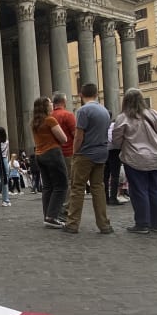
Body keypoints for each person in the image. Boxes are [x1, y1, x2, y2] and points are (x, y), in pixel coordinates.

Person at [112, 89, 157, 234]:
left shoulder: (123, 118)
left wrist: (126, 144)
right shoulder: (153, 113)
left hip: (135, 158)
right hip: (156, 157)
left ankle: (142, 223)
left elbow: (116, 140)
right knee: (155, 191)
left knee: (139, 191)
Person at [62, 84, 112, 235]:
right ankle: (104, 225)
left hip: (86, 153)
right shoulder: (104, 111)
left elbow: (78, 135)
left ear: (81, 95)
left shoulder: (83, 111)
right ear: (96, 94)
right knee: (98, 187)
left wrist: (75, 152)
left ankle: (72, 223)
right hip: (102, 153)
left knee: (77, 188)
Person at [30, 97, 68, 228]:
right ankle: (52, 217)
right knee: (61, 186)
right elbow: (63, 138)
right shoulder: (50, 120)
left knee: (47, 187)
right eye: (50, 103)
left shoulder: (34, 123)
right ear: (45, 107)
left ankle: (47, 215)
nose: (52, 104)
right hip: (52, 153)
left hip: (39, 155)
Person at [52, 91, 76, 210]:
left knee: (56, 182)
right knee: (69, 181)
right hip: (68, 153)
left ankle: (54, 208)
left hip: (53, 153)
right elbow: (75, 135)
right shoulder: (68, 115)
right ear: (64, 102)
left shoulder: (49, 116)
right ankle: (66, 208)